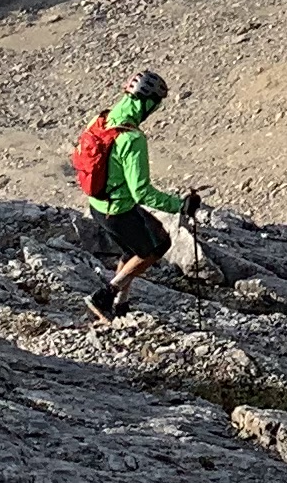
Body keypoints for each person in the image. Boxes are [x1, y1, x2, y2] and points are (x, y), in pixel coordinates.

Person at [79, 68, 202, 319]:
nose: (155, 110)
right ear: (147, 102)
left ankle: (121, 306)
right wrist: (180, 205)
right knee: (155, 248)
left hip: (97, 204)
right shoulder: (132, 139)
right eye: (155, 104)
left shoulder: (102, 119)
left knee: (131, 251)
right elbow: (142, 193)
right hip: (118, 210)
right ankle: (104, 295)